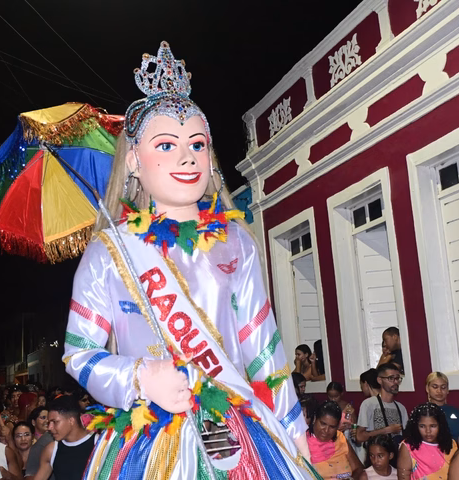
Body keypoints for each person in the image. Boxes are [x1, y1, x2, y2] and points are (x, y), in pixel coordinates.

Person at [62, 41, 312, 478]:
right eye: (165, 145)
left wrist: (293, 436)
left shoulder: (238, 240)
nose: (186, 156)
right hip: (151, 437)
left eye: (197, 143)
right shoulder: (110, 251)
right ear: (135, 160)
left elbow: (264, 349)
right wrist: (140, 377)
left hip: (241, 430)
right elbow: (79, 354)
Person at [32, 396, 95, 480]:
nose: (50, 427)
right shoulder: (51, 450)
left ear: (71, 421)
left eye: (55, 422)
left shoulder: (98, 444)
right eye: (49, 422)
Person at [306, 401, 367, 479]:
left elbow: (359, 469)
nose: (326, 430)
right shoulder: (304, 441)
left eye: (332, 427)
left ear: (338, 426)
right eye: (323, 424)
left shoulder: (340, 437)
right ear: (314, 419)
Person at [396, 403, 457, 479]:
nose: (428, 431)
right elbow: (403, 476)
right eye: (422, 426)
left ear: (440, 425)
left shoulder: (451, 444)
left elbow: (457, 473)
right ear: (415, 426)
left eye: (433, 426)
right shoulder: (408, 446)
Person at [356, 363, 408, 445]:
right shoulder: (369, 404)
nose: (395, 382)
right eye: (391, 378)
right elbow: (359, 437)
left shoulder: (401, 408)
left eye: (397, 378)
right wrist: (386, 430)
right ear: (379, 380)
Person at [425, 372, 459, 445]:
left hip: (455, 452)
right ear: (427, 389)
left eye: (443, 387)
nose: (439, 391)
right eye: (435, 387)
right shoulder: (422, 411)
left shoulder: (454, 411)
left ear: (447, 390)